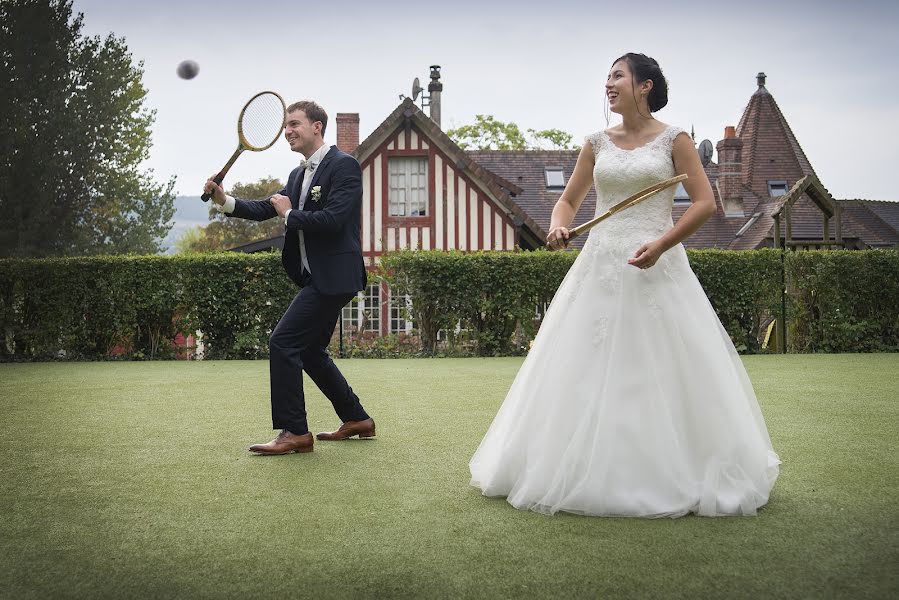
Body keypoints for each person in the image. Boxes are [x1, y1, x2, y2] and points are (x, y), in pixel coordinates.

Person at [469, 54, 780, 517]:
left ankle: (670, 468)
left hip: (658, 263)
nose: (608, 84)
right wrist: (558, 226)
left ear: (645, 86)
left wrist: (661, 244)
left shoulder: (676, 140)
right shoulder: (596, 143)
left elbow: (704, 203)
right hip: (598, 264)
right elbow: (569, 200)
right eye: (607, 78)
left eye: (618, 76)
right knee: (582, 365)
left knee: (660, 364)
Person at [204, 100, 375, 455]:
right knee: (310, 351)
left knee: (282, 342)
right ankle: (357, 418)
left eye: (294, 124)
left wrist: (291, 213)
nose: (288, 132)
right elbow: (268, 208)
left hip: (336, 275)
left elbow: (334, 220)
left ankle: (295, 432)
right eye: (285, 127)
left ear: (317, 127)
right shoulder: (298, 175)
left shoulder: (345, 167)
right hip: (316, 278)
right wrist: (225, 200)